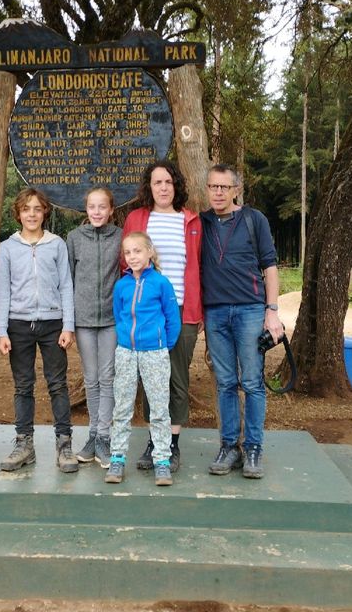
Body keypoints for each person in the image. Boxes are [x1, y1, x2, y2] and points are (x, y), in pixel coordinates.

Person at [200, 164, 284, 479]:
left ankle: (253, 448)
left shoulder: (253, 219)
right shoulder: (202, 222)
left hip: (250, 310)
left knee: (251, 382)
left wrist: (271, 310)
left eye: (224, 187)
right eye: (213, 187)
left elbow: (270, 266)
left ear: (236, 189)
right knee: (225, 383)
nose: (218, 193)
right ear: (207, 189)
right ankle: (228, 447)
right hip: (215, 312)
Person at [122, 159, 202, 472]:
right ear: (149, 187)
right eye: (157, 182)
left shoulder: (192, 221)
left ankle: (172, 445)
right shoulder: (137, 219)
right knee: (151, 381)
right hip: (146, 315)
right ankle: (154, 441)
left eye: (169, 182)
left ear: (176, 186)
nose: (164, 187)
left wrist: (199, 313)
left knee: (178, 381)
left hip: (182, 312)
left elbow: (198, 267)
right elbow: (126, 265)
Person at [0, 188, 79, 473]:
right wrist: (1, 331)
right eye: (26, 209)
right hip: (18, 324)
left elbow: (66, 285)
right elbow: (2, 291)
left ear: (45, 212)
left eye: (37, 209)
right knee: (23, 385)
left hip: (52, 323)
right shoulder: (7, 248)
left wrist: (68, 324)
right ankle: (24, 443)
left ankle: (64, 443)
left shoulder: (56, 245)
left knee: (57, 383)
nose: (32, 214)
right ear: (18, 213)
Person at [105, 232, 181, 487]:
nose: (133, 257)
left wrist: (161, 344)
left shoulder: (161, 283)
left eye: (137, 251)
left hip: (155, 353)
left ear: (149, 252)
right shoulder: (121, 286)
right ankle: (117, 458)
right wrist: (125, 340)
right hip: (126, 353)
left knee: (159, 408)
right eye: (128, 253)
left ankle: (162, 461)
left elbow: (173, 320)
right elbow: (119, 315)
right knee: (122, 407)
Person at [66, 188, 122, 468]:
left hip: (111, 320)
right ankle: (92, 435)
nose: (97, 212)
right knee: (91, 379)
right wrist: (68, 322)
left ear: (111, 209)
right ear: (85, 210)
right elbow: (67, 281)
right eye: (92, 207)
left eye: (102, 207)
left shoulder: (120, 237)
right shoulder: (74, 239)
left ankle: (104, 437)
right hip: (83, 320)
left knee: (108, 377)